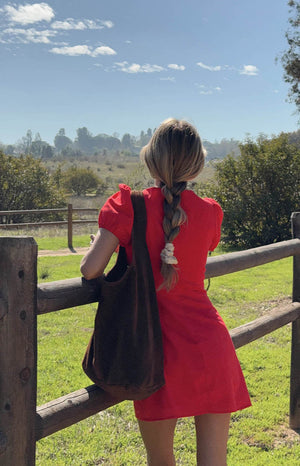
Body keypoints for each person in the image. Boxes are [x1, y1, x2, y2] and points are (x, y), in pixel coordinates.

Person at [80, 118, 251, 466]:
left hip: (155, 354)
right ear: (197, 164)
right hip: (211, 348)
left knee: (160, 461)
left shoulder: (128, 205)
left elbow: (89, 269)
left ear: (150, 159)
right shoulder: (209, 212)